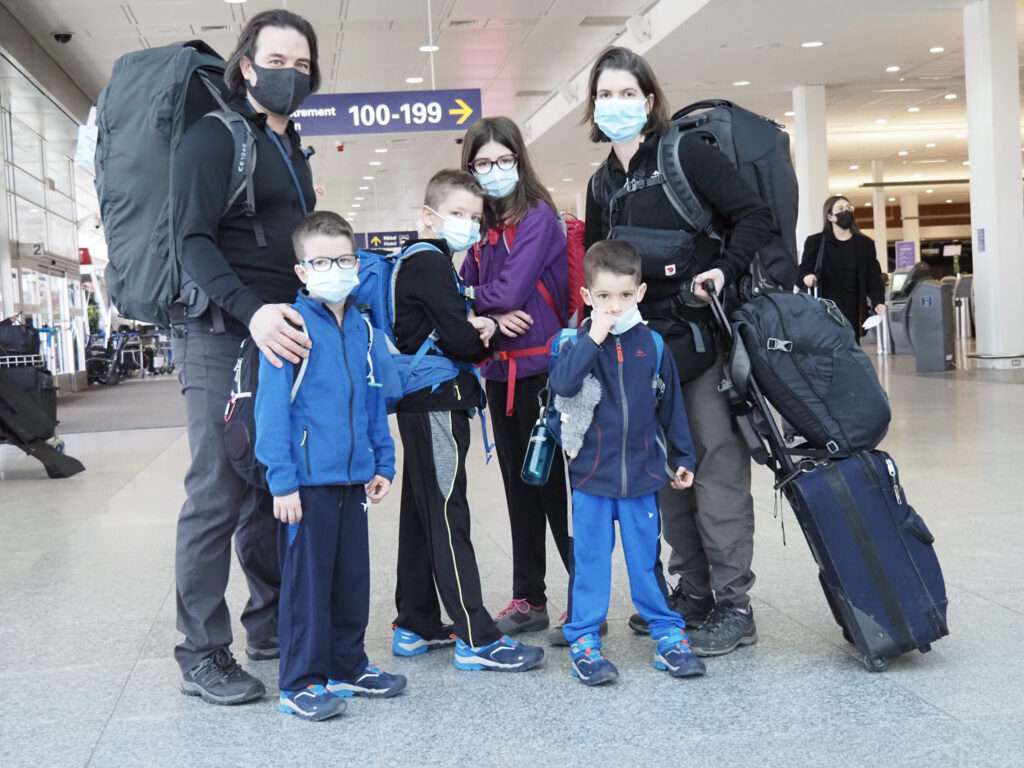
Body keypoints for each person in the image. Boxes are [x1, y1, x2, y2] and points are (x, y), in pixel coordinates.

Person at [583, 46, 773, 657]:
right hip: (638, 353)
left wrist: (722, 269)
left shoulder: (686, 153)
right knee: (664, 472)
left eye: (626, 94)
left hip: (698, 342)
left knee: (714, 467)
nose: (616, 106)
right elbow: (596, 263)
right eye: (604, 95)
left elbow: (754, 216)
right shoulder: (601, 184)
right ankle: (692, 590)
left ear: (650, 100)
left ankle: (734, 602)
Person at [171, 10, 319, 704]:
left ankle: (271, 624)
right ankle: (202, 653)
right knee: (216, 493)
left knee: (268, 482)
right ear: (247, 66)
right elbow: (192, 240)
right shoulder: (214, 136)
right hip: (221, 334)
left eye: (303, 62)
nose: (291, 72)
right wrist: (250, 310)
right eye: (278, 59)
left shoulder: (293, 148)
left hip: (280, 337)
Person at [390, 169, 545, 673]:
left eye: (474, 218)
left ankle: (414, 621)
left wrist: (470, 322)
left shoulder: (418, 263)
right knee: (447, 514)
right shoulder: (432, 263)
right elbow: (457, 341)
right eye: (457, 215)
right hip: (437, 401)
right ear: (427, 216)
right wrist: (486, 328)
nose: (468, 226)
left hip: (420, 400)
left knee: (421, 511)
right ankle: (476, 635)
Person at [255, 212, 405, 721]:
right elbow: (271, 411)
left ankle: (347, 664)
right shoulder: (290, 326)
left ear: (357, 262)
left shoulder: (361, 326)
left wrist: (381, 459)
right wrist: (282, 481)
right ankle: (300, 681)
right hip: (306, 485)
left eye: (343, 259)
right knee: (307, 587)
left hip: (352, 479)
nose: (334, 269)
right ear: (302, 271)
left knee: (351, 579)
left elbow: (372, 398)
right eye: (321, 261)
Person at [548, 240, 704, 685]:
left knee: (645, 562)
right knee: (591, 561)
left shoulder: (652, 346)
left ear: (640, 292)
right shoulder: (576, 344)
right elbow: (562, 384)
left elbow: (671, 409)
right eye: (603, 297)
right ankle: (583, 638)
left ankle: (668, 635)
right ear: (586, 297)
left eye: (623, 295)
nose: (614, 306)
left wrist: (681, 458)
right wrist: (593, 336)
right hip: (590, 480)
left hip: (641, 477)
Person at [459, 116, 572, 638]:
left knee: (554, 491)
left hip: (543, 376)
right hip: (499, 377)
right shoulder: (482, 229)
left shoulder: (539, 218)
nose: (494, 170)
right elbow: (466, 293)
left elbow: (505, 290)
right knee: (518, 490)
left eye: (503, 160)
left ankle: (585, 593)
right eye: (482, 163)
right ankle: (529, 598)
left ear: (519, 160)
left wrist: (485, 308)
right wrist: (489, 313)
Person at [799, 196, 887, 337]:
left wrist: (878, 301)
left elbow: (873, 277)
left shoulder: (864, 244)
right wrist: (806, 277)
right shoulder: (816, 242)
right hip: (825, 309)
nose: (846, 212)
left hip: (855, 309)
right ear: (830, 217)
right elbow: (802, 271)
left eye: (849, 208)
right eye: (840, 209)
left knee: (852, 348)